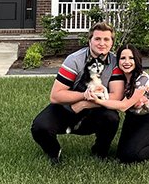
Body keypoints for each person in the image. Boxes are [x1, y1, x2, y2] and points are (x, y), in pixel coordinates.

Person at [31, 22, 125, 164]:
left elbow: (116, 96)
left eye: (106, 39)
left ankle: (100, 152)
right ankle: (54, 152)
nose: (102, 43)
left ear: (112, 43)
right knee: (39, 127)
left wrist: (85, 104)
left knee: (112, 118)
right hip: (68, 107)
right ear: (89, 41)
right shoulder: (74, 60)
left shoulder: (115, 63)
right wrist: (82, 96)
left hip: (96, 109)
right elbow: (55, 96)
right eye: (97, 39)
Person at [77, 44, 149, 163]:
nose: (127, 62)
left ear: (136, 60)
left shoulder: (143, 79)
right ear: (118, 61)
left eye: (131, 58)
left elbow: (123, 106)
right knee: (122, 156)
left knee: (133, 155)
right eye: (123, 58)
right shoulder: (120, 78)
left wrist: (98, 101)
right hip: (131, 120)